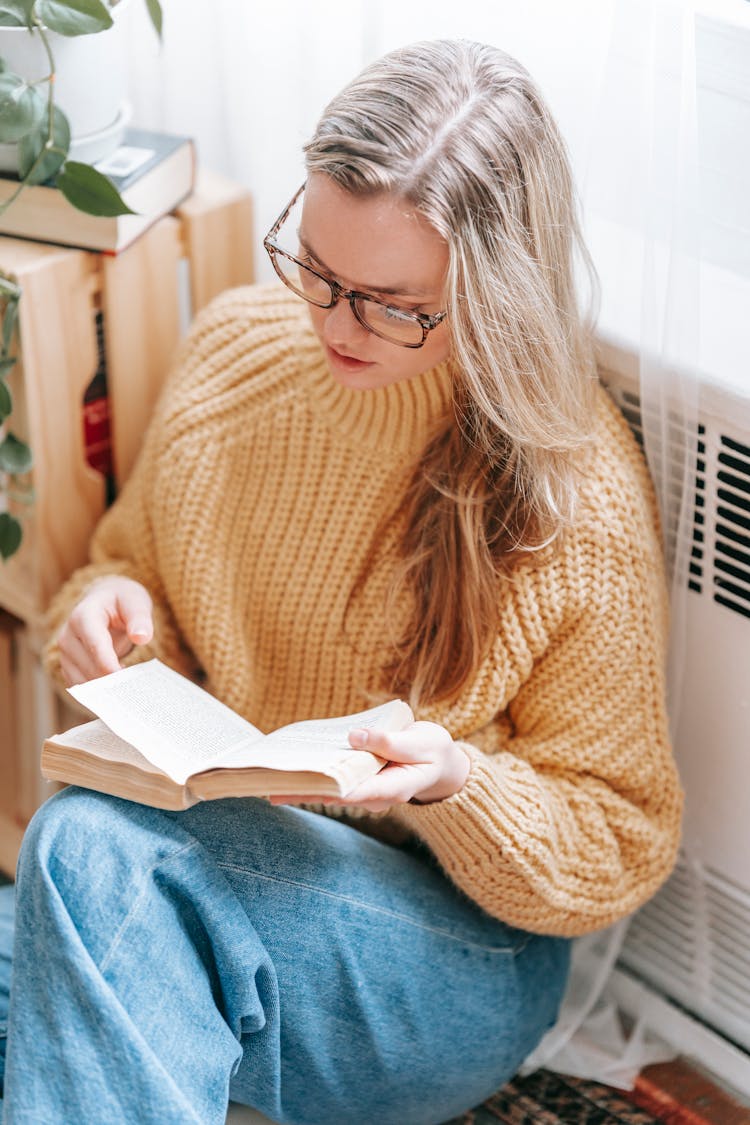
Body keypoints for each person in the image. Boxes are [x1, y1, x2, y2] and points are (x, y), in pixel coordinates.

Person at [0, 38, 682, 1125]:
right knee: (68, 926)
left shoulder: (569, 492)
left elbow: (617, 843)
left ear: (493, 289)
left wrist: (455, 780)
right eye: (314, 270)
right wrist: (107, 618)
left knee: (83, 852)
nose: (331, 322)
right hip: (212, 872)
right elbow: (133, 570)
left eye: (389, 302)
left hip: (449, 960)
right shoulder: (235, 354)